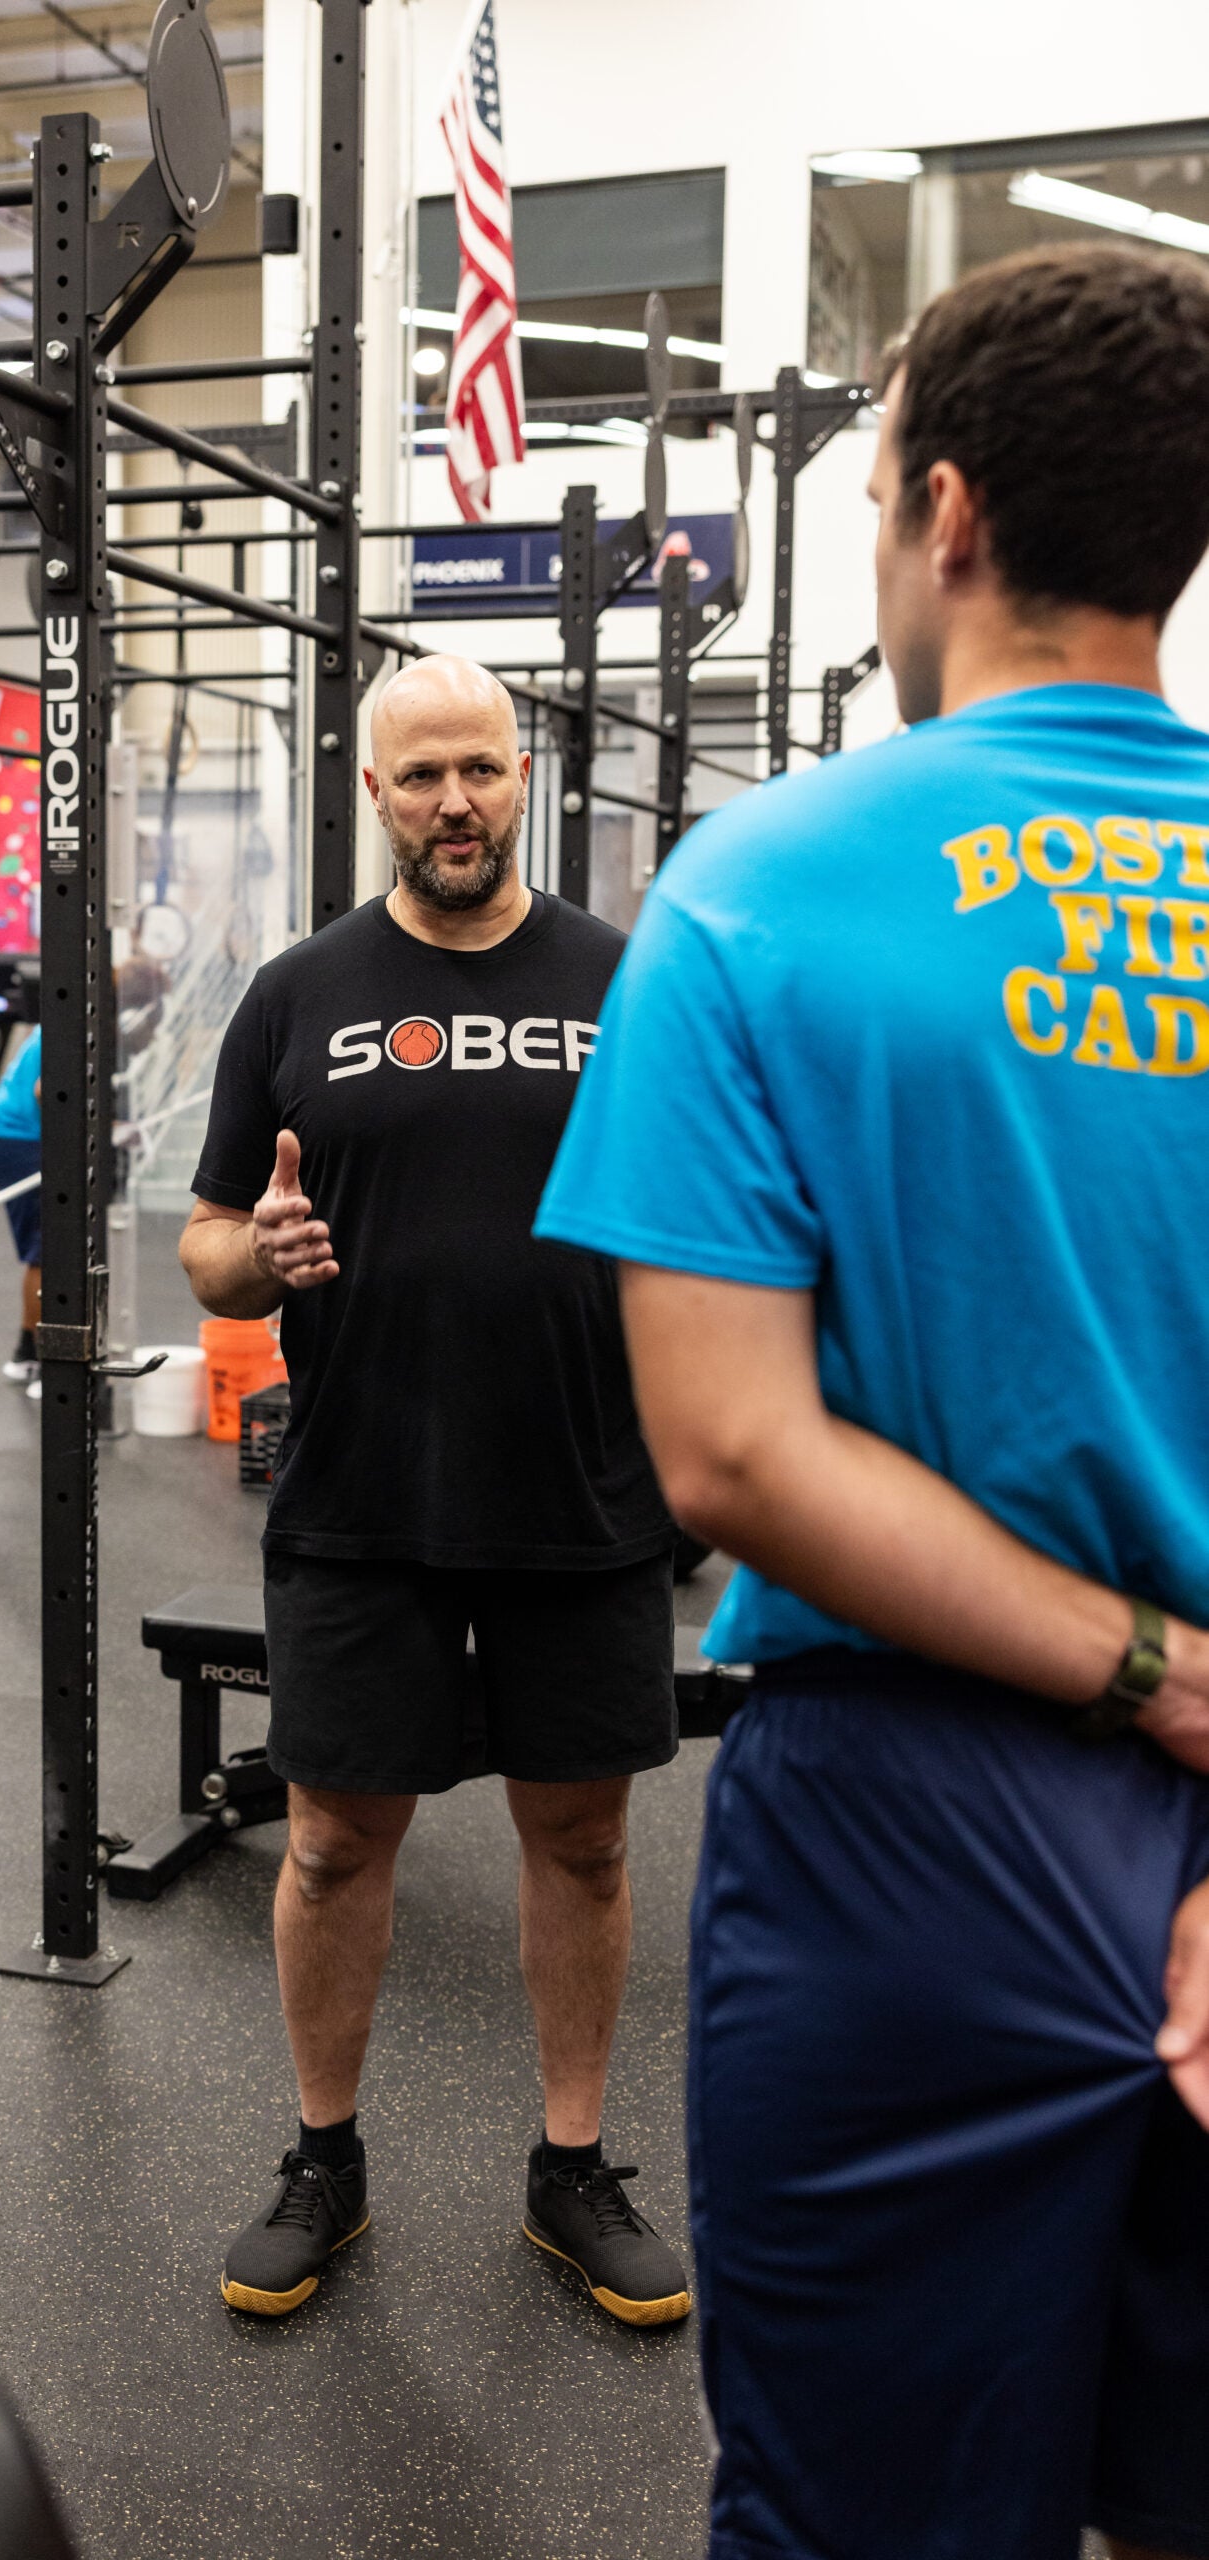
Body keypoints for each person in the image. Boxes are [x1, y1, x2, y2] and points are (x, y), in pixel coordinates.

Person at [538, 244, 1209, 2560]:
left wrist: (1154, 1672)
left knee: (871, 2525)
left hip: (919, 1809)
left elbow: (730, 1451)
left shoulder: (759, 887)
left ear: (944, 511)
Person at [180, 652, 689, 2326]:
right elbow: (207, 1247)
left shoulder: (626, 981)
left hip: (581, 1487)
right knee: (333, 1842)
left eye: (479, 767)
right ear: (375, 793)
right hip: (361, 1491)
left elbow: (705, 1218)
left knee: (585, 1843)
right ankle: (323, 2158)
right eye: (421, 776)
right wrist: (253, 1252)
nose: (453, 802)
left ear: (521, 773)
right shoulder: (298, 993)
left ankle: (570, 2168)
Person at [0, 1019, 43, 1386]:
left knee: (50, 1250)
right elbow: (46, 1091)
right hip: (18, 1140)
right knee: (49, 1253)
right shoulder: (84, 1021)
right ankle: (44, 1360)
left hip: (7, 1133)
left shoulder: (72, 1014)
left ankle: (28, 1353)